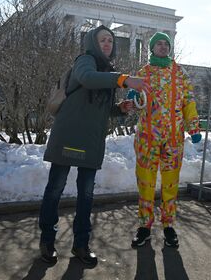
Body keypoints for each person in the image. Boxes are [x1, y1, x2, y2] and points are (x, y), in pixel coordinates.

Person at [39, 25, 149, 266]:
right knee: (55, 188)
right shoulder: (85, 60)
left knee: (86, 194)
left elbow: (98, 108)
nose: (108, 43)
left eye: (110, 40)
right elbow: (88, 79)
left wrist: (118, 110)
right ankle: (47, 240)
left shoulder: (107, 71)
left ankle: (81, 244)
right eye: (103, 39)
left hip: (90, 140)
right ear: (92, 42)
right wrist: (124, 79)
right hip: (68, 136)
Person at [129, 32, 201, 249]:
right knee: (146, 184)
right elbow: (135, 99)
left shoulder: (179, 74)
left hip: (173, 140)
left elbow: (188, 101)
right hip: (147, 140)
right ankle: (144, 227)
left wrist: (193, 126)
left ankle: (169, 226)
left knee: (170, 185)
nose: (163, 47)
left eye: (166, 44)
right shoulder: (144, 73)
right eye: (158, 44)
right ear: (151, 48)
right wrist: (133, 97)